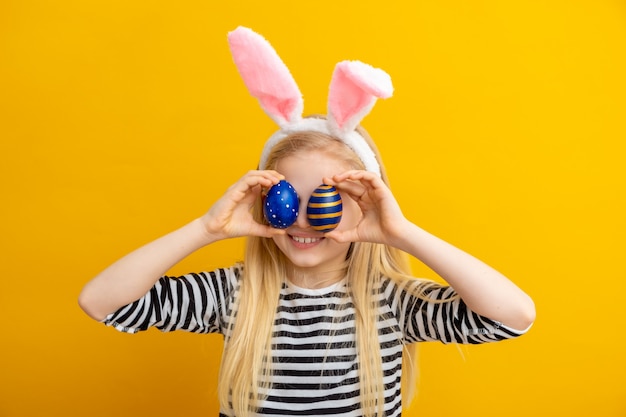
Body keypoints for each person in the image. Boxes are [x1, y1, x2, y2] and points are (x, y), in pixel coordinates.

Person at [78, 27, 535, 417]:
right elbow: (101, 301)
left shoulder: (392, 302)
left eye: (326, 199)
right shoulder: (236, 295)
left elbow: (513, 316)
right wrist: (205, 228)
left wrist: (402, 233)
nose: (301, 217)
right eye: (284, 197)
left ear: (366, 207)